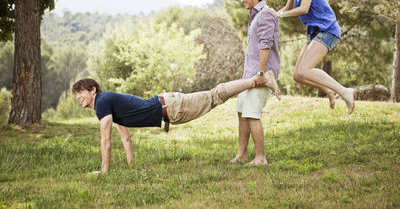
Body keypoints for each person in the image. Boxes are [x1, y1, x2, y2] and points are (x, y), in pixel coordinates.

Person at [72, 75, 280, 173]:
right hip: (169, 106)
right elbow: (125, 137)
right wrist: (131, 166)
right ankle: (255, 80)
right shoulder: (107, 103)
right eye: (76, 95)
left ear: (92, 91)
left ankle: (258, 79)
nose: (78, 97)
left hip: (172, 107)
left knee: (214, 95)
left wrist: (104, 171)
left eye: (81, 92)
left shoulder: (102, 102)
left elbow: (106, 140)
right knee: (214, 96)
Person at [268, 0, 355, 114]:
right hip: (314, 32)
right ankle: (329, 90)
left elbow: (304, 8)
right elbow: (287, 8)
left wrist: (280, 14)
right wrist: (271, 15)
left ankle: (344, 91)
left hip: (327, 29)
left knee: (306, 69)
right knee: (298, 75)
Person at [231, 0, 280, 166]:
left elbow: (265, 46)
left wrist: (261, 73)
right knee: (242, 112)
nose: (242, 0)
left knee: (252, 113)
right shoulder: (254, 15)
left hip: (261, 74)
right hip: (249, 74)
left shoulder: (266, 15)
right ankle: (242, 155)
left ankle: (261, 157)